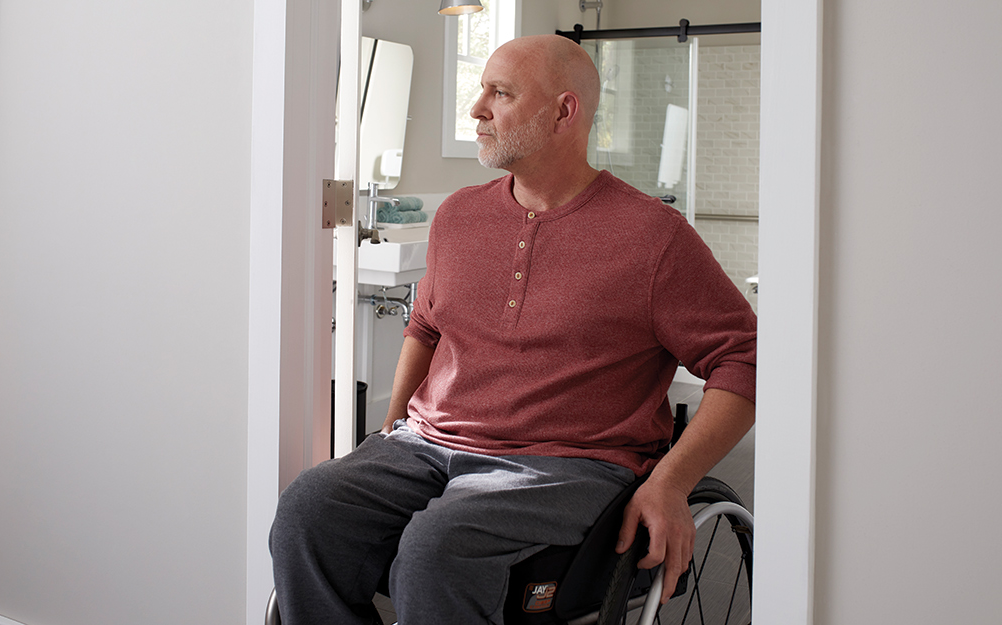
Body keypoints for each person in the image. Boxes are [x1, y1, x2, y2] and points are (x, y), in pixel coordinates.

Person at [270, 34, 756, 625]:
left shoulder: (654, 237)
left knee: (434, 549)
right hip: (429, 445)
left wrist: (674, 480)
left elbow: (745, 358)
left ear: (563, 112)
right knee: (306, 510)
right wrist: (391, 426)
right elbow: (424, 324)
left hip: (569, 464)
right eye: (481, 89)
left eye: (500, 93)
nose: (476, 109)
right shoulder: (459, 215)